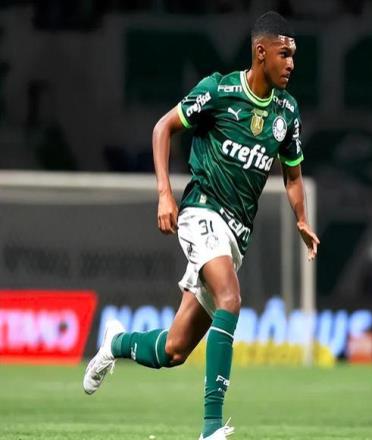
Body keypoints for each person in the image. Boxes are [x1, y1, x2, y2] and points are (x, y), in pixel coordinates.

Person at [83, 10, 319, 440]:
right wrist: (164, 193)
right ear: (260, 52)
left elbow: (292, 175)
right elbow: (163, 128)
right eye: (284, 54)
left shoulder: (287, 111)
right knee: (231, 298)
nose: (291, 63)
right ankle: (211, 428)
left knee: (174, 350)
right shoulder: (219, 91)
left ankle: (115, 344)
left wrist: (301, 219)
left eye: (294, 55)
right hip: (202, 213)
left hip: (236, 236)